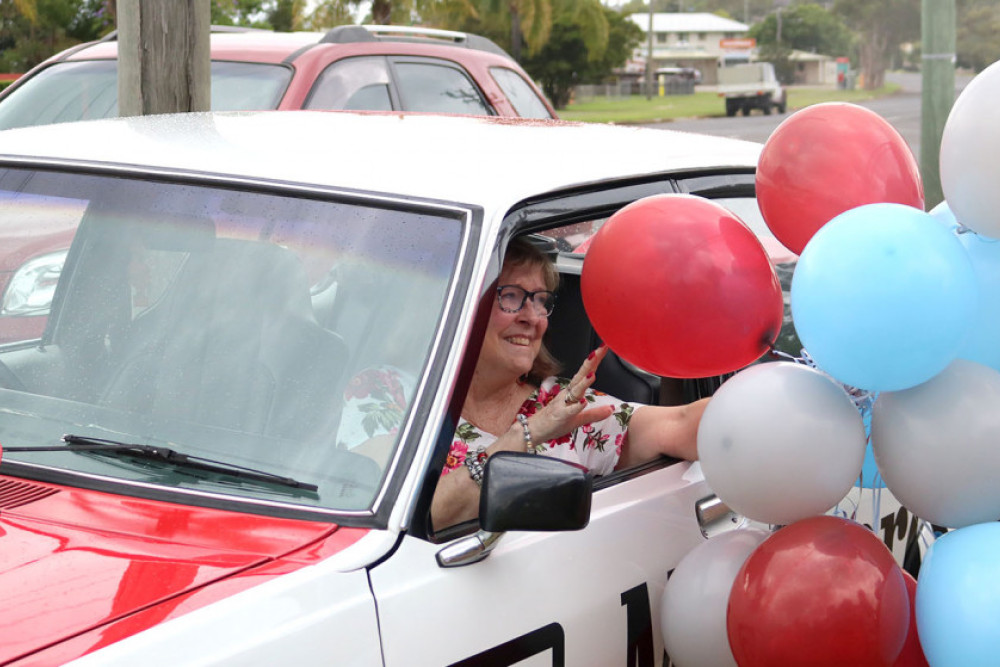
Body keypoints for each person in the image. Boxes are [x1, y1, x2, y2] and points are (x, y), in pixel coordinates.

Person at [429, 237, 707, 529]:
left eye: (540, 300)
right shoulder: (400, 399)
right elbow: (408, 529)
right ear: (460, 308)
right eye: (511, 296)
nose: (532, 317)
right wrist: (529, 432)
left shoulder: (566, 405)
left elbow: (682, 424)